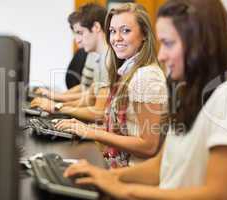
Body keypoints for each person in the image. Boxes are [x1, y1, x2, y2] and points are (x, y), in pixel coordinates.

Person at [61, 0, 227, 199]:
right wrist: (106, 176)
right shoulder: (187, 95)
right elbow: (160, 166)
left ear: (202, 42)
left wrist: (124, 189)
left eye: (168, 43)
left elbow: (219, 194)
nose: (161, 55)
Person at [56, 3, 168, 167]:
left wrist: (91, 132)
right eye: (113, 31)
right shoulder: (128, 71)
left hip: (134, 174)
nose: (116, 38)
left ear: (144, 34)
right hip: (118, 165)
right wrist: (83, 128)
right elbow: (125, 132)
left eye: (125, 31)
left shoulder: (147, 76)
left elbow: (148, 146)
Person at [31, 3, 110, 122]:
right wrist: (57, 103)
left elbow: (99, 113)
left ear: (96, 27)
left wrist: (57, 107)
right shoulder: (100, 58)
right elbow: (89, 97)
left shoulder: (107, 60)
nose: (77, 40)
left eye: (80, 33)